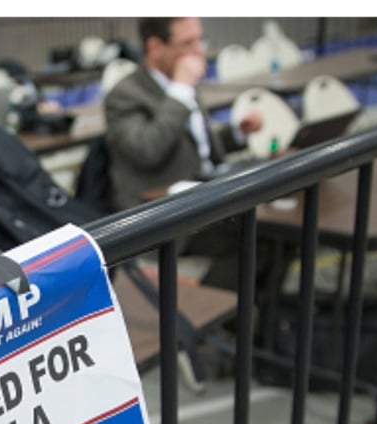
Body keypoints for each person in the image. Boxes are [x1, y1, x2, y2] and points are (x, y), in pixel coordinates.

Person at [104, 17, 264, 290]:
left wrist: (237, 133)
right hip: (163, 219)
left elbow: (196, 147)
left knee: (274, 234)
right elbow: (148, 150)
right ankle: (227, 321)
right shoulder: (125, 95)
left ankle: (255, 314)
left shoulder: (182, 85)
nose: (199, 50)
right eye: (187, 43)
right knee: (256, 239)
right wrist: (180, 89)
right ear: (155, 47)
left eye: (200, 40)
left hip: (204, 197)